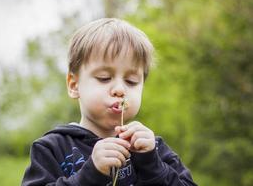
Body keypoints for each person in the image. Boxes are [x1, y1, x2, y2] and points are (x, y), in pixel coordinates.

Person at [22, 18, 197, 186]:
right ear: (74, 85)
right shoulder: (52, 148)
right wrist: (90, 175)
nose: (120, 90)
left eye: (131, 81)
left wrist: (152, 164)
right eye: (104, 78)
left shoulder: (154, 149)